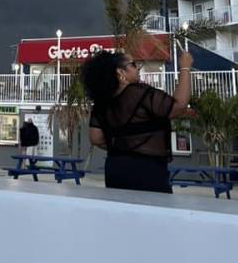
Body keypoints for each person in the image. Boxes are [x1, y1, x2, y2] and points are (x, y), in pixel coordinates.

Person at [81, 49, 192, 193]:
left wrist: (124, 146)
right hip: (147, 171)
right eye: (133, 64)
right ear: (120, 73)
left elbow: (95, 138)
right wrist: (185, 66)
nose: (137, 67)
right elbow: (179, 106)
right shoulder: (139, 93)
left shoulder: (102, 103)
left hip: (115, 169)